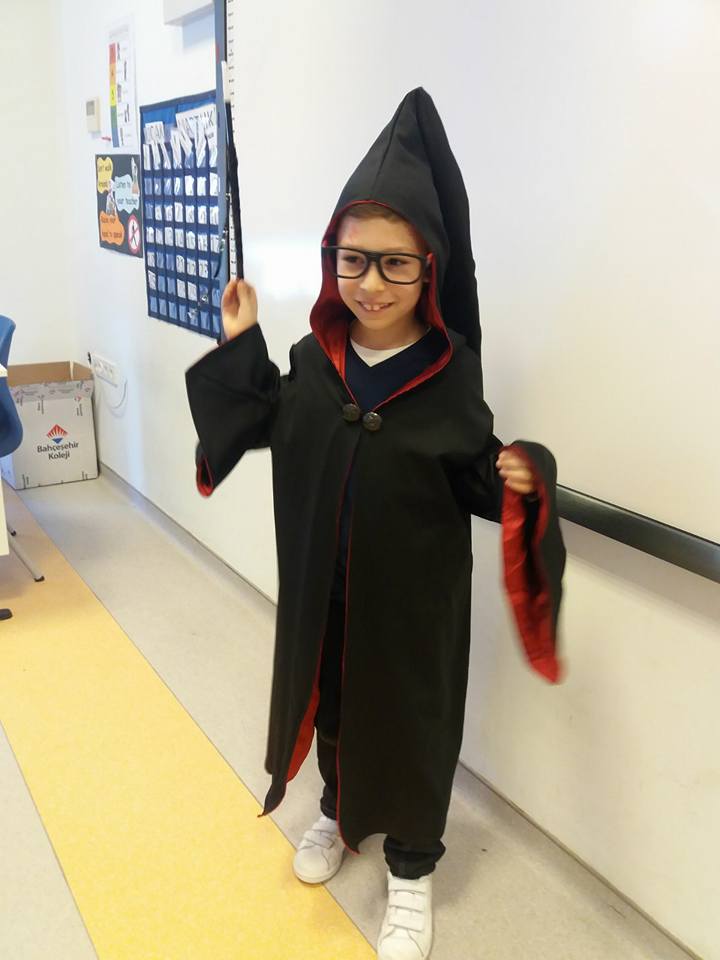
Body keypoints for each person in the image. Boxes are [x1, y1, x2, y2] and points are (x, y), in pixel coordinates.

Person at [186, 88, 566, 960]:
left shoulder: (448, 372)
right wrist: (242, 340)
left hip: (415, 607)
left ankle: (412, 866)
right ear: (332, 259)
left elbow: (474, 471)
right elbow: (265, 419)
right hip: (328, 591)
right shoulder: (314, 362)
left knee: (414, 727)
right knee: (334, 709)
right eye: (352, 260)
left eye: (395, 264)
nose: (369, 284)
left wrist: (517, 475)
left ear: (430, 267)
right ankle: (336, 811)